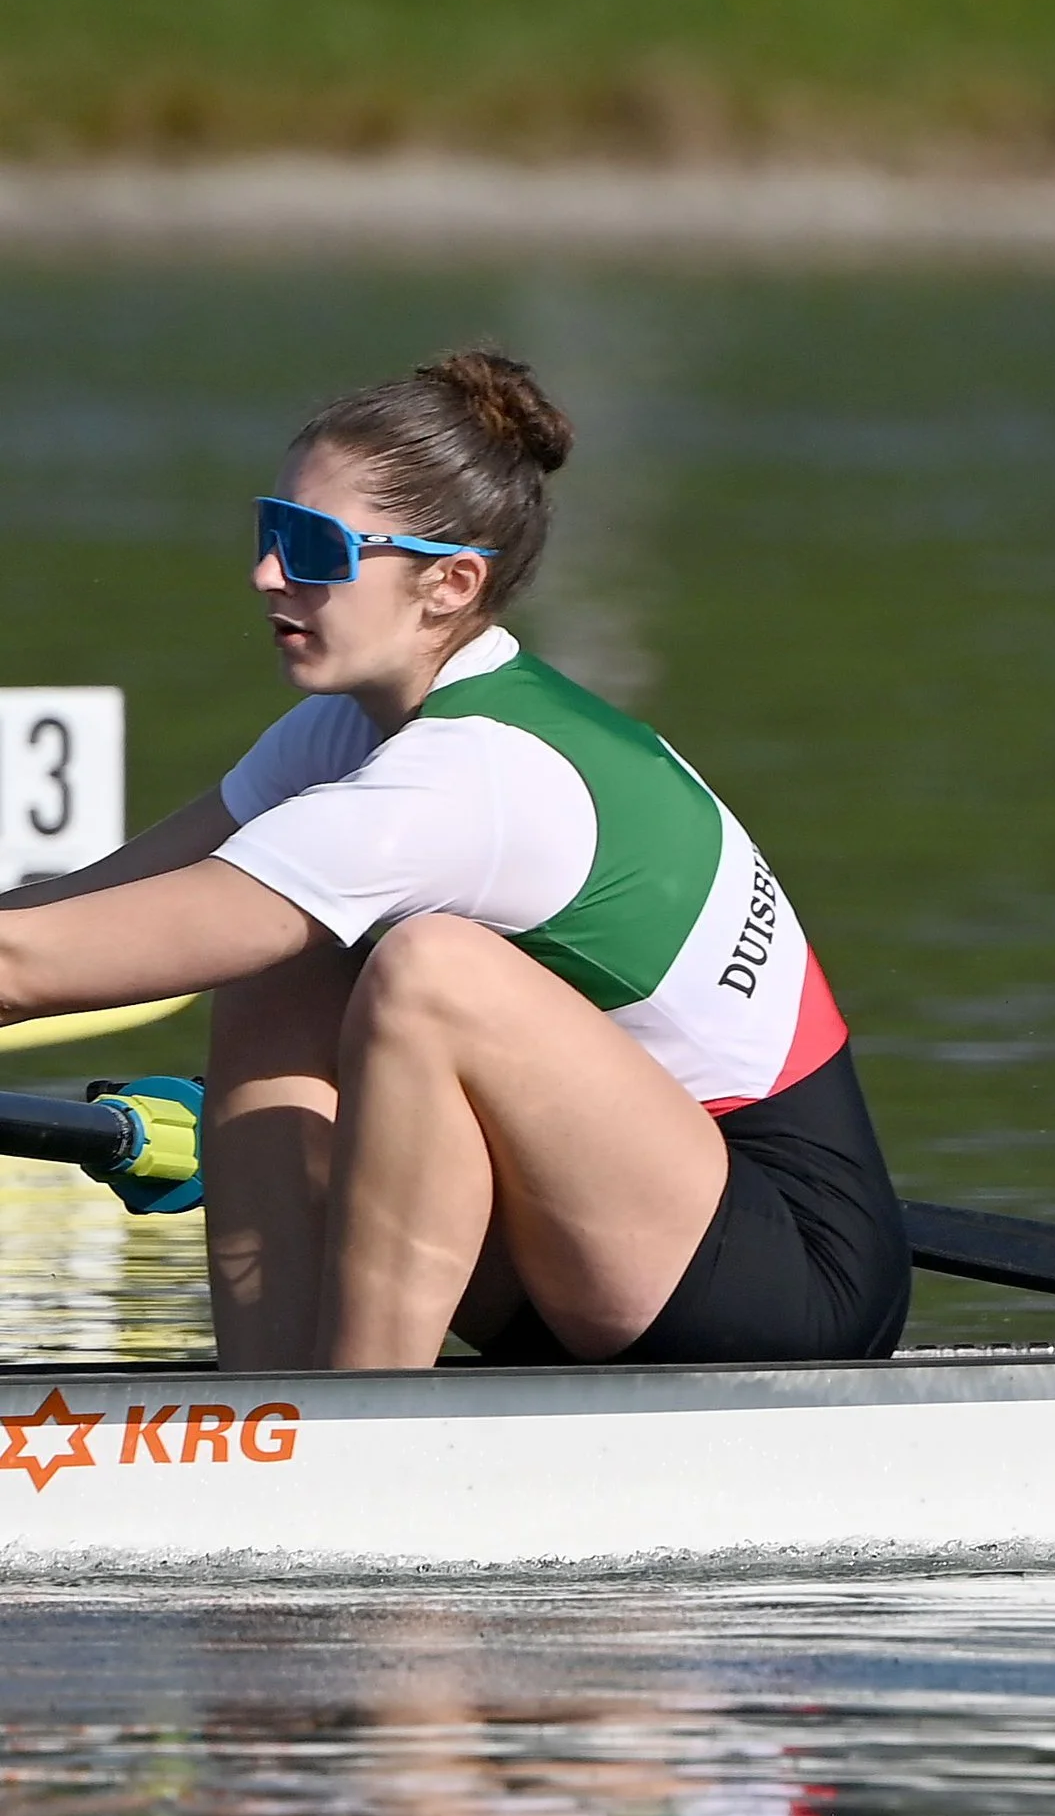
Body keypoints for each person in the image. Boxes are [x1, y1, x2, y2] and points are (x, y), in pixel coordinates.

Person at [0, 349, 911, 1371]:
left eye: (311, 546)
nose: (267, 572)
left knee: (429, 968)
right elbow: (77, 913)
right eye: (269, 530)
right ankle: (278, 1400)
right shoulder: (342, 734)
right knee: (276, 954)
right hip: (601, 1220)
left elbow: (24, 971)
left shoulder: (468, 777)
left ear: (449, 583)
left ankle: (364, 1437)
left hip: (792, 1275)